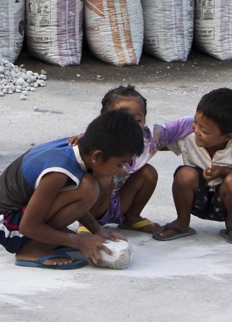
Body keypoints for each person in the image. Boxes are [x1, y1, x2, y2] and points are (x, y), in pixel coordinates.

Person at [0, 109, 144, 269]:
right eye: (119, 164)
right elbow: (27, 226)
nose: (121, 169)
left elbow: (70, 198)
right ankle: (30, 248)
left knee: (87, 186)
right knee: (88, 188)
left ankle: (45, 239)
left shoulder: (82, 149)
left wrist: (96, 229)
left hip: (22, 214)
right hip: (7, 225)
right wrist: (78, 241)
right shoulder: (58, 171)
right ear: (97, 156)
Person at [71, 85, 194, 234]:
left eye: (137, 120)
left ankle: (132, 217)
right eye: (121, 119)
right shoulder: (97, 140)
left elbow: (185, 124)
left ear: (144, 119)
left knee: (148, 172)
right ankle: (87, 225)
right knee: (104, 178)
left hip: (122, 201)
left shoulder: (151, 137)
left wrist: (214, 119)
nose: (129, 126)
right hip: (94, 204)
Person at [152, 87, 232, 245]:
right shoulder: (188, 137)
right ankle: (182, 222)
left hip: (225, 202)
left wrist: (224, 171)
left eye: (205, 130)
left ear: (228, 136)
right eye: (196, 122)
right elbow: (159, 144)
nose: (196, 130)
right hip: (196, 200)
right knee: (184, 174)